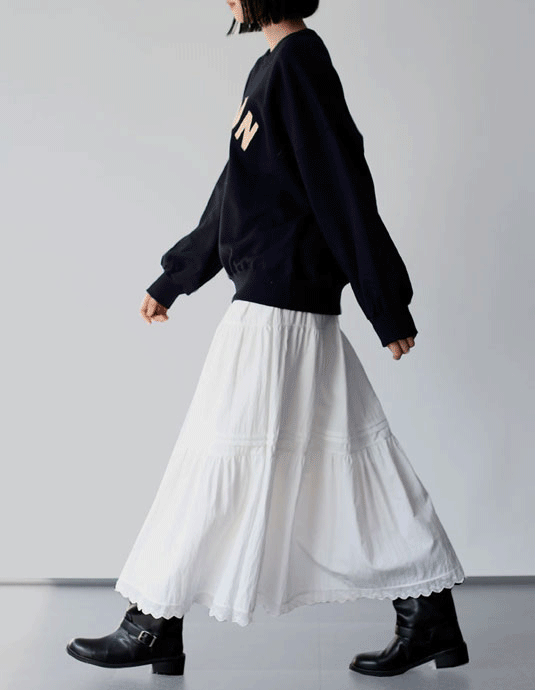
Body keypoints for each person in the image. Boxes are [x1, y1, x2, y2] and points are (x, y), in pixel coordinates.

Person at [66, 0, 469, 678]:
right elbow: (235, 191)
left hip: (278, 305)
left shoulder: (299, 64)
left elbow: (341, 184)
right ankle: (427, 614)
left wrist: (385, 304)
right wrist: (177, 276)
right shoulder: (272, 67)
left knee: (211, 459)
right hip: (282, 299)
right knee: (357, 460)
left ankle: (152, 624)